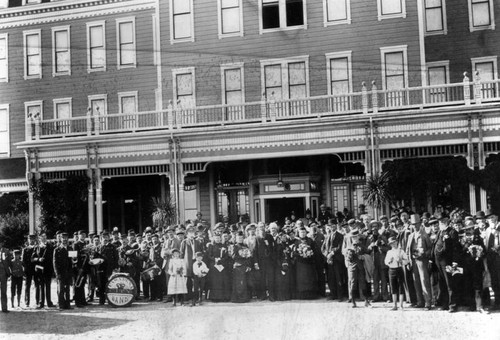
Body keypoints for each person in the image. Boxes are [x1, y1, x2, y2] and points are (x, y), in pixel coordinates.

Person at [431, 212, 461, 312]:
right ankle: (444, 304)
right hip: (438, 261)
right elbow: (435, 245)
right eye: (440, 221)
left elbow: (456, 248)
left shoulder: (452, 232)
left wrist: (455, 261)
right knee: (442, 283)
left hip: (447, 261)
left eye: (443, 220)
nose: (441, 222)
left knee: (450, 283)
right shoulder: (440, 232)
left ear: (447, 220)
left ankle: (453, 305)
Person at [406, 214, 433, 309]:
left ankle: (428, 302)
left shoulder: (424, 235)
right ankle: (420, 301)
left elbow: (430, 248)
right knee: (416, 281)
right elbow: (407, 249)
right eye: (413, 224)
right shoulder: (410, 236)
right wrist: (408, 261)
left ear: (420, 223)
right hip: (413, 261)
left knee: (424, 280)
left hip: (422, 260)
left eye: (416, 224)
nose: (415, 226)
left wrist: (424, 254)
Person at [343, 229, 370, 308]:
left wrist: (364, 256)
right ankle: (353, 301)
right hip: (352, 267)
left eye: (356, 236)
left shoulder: (361, 245)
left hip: (361, 267)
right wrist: (350, 254)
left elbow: (367, 251)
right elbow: (347, 258)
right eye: (353, 237)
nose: (355, 238)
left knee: (363, 283)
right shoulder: (349, 247)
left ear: (358, 237)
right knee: (353, 284)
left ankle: (366, 301)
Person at [180, 226, 205, 304]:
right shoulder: (184, 242)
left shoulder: (198, 242)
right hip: (187, 263)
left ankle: (196, 297)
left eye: (193, 233)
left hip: (196, 263)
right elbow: (181, 254)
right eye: (190, 233)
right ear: (187, 234)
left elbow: (201, 252)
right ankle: (188, 297)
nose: (191, 234)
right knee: (188, 281)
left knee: (196, 281)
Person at [292, 227, 319, 300]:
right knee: (301, 279)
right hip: (300, 263)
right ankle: (302, 295)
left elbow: (314, 250)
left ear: (306, 233)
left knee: (309, 278)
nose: (303, 234)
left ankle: (310, 295)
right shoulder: (296, 242)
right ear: (299, 233)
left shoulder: (310, 241)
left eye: (304, 232)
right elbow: (294, 252)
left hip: (309, 263)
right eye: (301, 232)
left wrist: (309, 254)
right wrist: (300, 255)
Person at [322, 219, 345, 301]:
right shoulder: (327, 236)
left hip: (337, 259)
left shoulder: (340, 236)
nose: (332, 227)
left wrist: (332, 253)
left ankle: (340, 296)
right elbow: (323, 247)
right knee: (331, 278)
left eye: (334, 225)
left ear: (336, 225)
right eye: (330, 225)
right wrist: (326, 254)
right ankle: (333, 294)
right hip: (329, 260)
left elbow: (340, 247)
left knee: (338, 277)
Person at [385, 236, 409, 310]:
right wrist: (389, 261)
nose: (393, 244)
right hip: (391, 270)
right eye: (391, 243)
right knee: (393, 287)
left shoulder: (401, 251)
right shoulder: (389, 252)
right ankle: (394, 305)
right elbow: (385, 262)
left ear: (397, 242)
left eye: (394, 242)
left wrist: (401, 261)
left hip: (399, 269)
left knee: (400, 287)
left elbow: (407, 260)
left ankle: (401, 305)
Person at [32, 232, 54, 308]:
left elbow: (52, 258)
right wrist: (38, 259)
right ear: (39, 238)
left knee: (48, 286)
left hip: (48, 269)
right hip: (40, 269)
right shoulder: (37, 247)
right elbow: (32, 258)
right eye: (42, 236)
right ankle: (41, 302)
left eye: (45, 236)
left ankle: (49, 302)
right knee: (41, 286)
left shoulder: (50, 246)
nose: (44, 237)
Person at [206, 232, 230, 302]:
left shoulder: (224, 246)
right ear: (214, 238)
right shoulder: (211, 246)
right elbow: (209, 255)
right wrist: (215, 259)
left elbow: (226, 256)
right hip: (214, 265)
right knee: (215, 281)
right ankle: (215, 297)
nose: (217, 239)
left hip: (222, 265)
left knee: (222, 281)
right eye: (216, 238)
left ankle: (223, 297)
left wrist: (221, 260)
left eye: (219, 238)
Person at [230, 231, 252, 303]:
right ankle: (237, 298)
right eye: (238, 238)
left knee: (244, 282)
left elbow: (249, 257)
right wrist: (242, 256)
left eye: (241, 238)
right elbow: (233, 256)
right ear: (236, 238)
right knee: (238, 283)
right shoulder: (235, 246)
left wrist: (248, 265)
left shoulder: (246, 246)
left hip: (245, 266)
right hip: (238, 266)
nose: (240, 239)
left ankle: (244, 298)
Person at [53, 232, 72, 310]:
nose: (64, 239)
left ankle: (67, 305)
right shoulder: (57, 250)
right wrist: (57, 273)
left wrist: (72, 271)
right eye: (63, 238)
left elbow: (73, 261)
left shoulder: (70, 248)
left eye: (66, 238)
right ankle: (61, 305)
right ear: (60, 239)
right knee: (60, 289)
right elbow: (55, 263)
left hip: (68, 272)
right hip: (61, 272)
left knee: (67, 289)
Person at [275, 232, 292, 301]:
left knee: (287, 281)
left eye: (285, 237)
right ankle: (281, 297)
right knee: (281, 281)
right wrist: (281, 267)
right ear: (280, 238)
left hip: (287, 264)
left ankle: (287, 296)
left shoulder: (287, 245)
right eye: (282, 237)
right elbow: (277, 257)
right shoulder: (279, 246)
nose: (284, 238)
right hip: (281, 265)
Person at [22, 234, 37, 307]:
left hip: (36, 269)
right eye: (30, 239)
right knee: (27, 286)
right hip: (28, 270)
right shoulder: (25, 249)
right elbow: (23, 261)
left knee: (37, 285)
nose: (32, 240)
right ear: (28, 240)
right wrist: (26, 269)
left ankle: (38, 301)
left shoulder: (37, 248)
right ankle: (27, 301)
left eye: (33, 239)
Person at [0, 240, 12, 312]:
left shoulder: (6, 251)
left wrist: (11, 271)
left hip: (3, 272)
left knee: (3, 291)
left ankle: (4, 308)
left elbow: (9, 262)